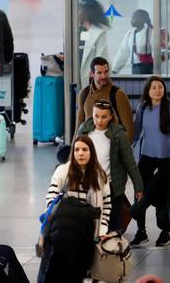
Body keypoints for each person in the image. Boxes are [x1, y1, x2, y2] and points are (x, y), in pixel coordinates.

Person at [37, 135, 111, 283]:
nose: (80, 153)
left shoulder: (100, 175)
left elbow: (107, 205)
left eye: (85, 149)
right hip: (61, 231)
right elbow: (51, 197)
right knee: (53, 271)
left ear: (92, 152)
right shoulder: (63, 171)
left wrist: (102, 230)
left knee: (77, 273)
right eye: (76, 150)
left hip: (85, 233)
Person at [75, 100, 143, 231]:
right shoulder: (84, 130)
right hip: (88, 185)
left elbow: (130, 162)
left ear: (111, 116)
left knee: (113, 226)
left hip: (112, 188)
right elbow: (75, 155)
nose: (99, 120)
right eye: (96, 116)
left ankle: (112, 249)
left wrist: (138, 186)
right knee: (89, 224)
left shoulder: (118, 135)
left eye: (104, 117)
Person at [131, 76, 170, 248]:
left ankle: (164, 232)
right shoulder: (143, 107)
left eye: (160, 87)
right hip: (147, 157)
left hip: (166, 159)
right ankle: (141, 231)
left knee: (159, 193)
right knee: (139, 191)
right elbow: (136, 132)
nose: (157, 90)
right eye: (153, 87)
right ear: (148, 90)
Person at [76, 57, 134, 143]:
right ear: (91, 74)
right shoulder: (84, 94)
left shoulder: (118, 94)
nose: (103, 76)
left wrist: (123, 151)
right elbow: (79, 124)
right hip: (89, 147)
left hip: (111, 147)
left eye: (106, 72)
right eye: (99, 73)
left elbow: (129, 127)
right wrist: (73, 151)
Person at [79, 0, 111, 90]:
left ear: (88, 13)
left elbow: (100, 57)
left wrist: (94, 74)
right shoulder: (81, 31)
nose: (78, 13)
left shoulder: (99, 33)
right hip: (78, 77)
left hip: (92, 79)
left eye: (80, 10)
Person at [113, 9, 154, 75]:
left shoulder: (151, 32)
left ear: (142, 20)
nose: (131, 20)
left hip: (148, 68)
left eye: (134, 18)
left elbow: (156, 52)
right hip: (134, 68)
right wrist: (114, 70)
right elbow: (123, 52)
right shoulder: (130, 34)